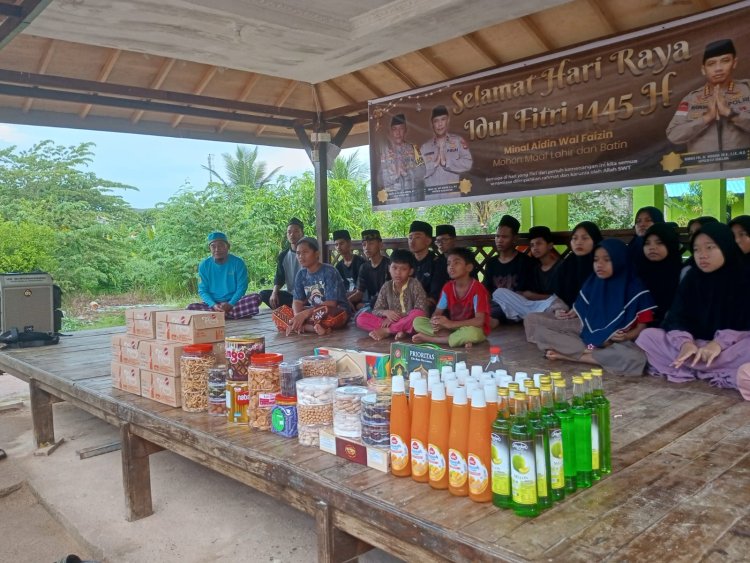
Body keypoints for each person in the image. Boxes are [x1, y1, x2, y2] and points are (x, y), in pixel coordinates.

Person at [636, 223, 750, 392]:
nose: (702, 255)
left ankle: (693, 367)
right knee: (648, 336)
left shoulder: (744, 277)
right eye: (696, 250)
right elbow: (677, 316)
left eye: (709, 248)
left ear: (726, 246)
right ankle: (705, 367)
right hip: (695, 346)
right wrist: (685, 343)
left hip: (728, 350)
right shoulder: (692, 278)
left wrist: (718, 344)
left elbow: (745, 323)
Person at [536, 239, 655, 374]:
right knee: (540, 331)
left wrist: (626, 336)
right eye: (596, 260)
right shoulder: (593, 284)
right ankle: (589, 352)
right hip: (589, 340)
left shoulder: (636, 289)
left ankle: (571, 356)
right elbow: (584, 319)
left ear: (620, 260)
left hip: (616, 344)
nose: (600, 265)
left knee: (636, 358)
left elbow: (642, 326)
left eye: (607, 260)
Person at [666, 39, 750, 171]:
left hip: (743, 174)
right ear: (703, 69)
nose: (718, 68)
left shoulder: (747, 89)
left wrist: (730, 113)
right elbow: (674, 134)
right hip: (702, 181)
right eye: (711, 64)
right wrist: (706, 118)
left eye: (725, 61)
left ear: (734, 62)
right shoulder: (691, 99)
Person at [524, 221, 602, 343]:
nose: (579, 242)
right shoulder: (568, 265)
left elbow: (605, 298)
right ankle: (565, 340)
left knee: (591, 329)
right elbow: (559, 296)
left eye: (585, 238)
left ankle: (566, 343)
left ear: (595, 239)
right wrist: (559, 310)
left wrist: (580, 309)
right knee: (531, 319)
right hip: (569, 319)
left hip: (593, 320)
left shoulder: (601, 264)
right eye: (574, 238)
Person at [413, 247, 490, 348]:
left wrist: (451, 324)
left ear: (469, 267)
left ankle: (431, 339)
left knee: (472, 333)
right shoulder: (448, 287)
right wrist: (435, 322)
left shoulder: (478, 289)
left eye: (456, 263)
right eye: (449, 264)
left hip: (474, 328)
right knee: (417, 322)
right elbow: (437, 312)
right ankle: (458, 339)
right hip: (452, 329)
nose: (451, 267)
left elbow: (479, 321)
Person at [272, 237, 351, 336]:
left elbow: (331, 304)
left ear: (317, 254)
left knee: (328, 314)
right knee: (278, 314)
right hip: (313, 313)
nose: (301, 256)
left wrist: (304, 315)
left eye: (305, 252)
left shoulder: (329, 271)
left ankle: (306, 327)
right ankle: (310, 328)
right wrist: (298, 317)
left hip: (334, 311)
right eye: (298, 253)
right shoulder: (301, 274)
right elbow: (297, 301)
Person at [355, 249, 429, 341]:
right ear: (389, 268)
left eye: (403, 269)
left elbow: (421, 310)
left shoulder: (415, 284)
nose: (398, 273)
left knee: (417, 315)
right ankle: (399, 330)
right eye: (394, 268)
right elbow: (376, 310)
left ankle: (388, 331)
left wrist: (397, 318)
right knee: (361, 318)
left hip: (408, 321)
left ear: (410, 271)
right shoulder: (387, 286)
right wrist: (386, 313)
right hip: (389, 321)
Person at [492, 225, 561, 321]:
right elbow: (527, 298)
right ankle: (529, 315)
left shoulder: (561, 267)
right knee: (499, 293)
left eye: (539, 244)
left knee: (557, 303)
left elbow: (561, 296)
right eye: (532, 245)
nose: (535, 248)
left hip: (552, 303)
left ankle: (524, 315)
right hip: (533, 306)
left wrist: (532, 296)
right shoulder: (535, 268)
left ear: (550, 245)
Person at [187, 232, 260, 319]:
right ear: (209, 248)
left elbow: (242, 288)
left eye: (221, 245)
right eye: (213, 246)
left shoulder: (238, 263)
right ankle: (229, 314)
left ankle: (218, 316)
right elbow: (202, 290)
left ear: (228, 247)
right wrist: (213, 305)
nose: (217, 249)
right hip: (213, 305)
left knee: (255, 298)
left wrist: (230, 304)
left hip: (234, 303)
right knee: (191, 308)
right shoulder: (204, 265)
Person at [483, 215, 531, 329]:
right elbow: (486, 289)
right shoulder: (491, 263)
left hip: (516, 306)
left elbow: (525, 294)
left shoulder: (525, 262)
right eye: (497, 236)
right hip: (495, 304)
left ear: (514, 238)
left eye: (504, 237)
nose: (499, 240)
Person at [420, 105, 473, 196]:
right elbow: (418, 173)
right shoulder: (425, 147)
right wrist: (434, 164)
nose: (440, 124)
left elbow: (468, 163)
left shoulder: (458, 141)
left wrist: (446, 163)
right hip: (432, 199)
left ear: (448, 121)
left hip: (452, 197)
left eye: (443, 119)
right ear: (432, 124)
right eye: (436, 121)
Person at [638, 223, 684, 325]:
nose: (652, 247)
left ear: (670, 244)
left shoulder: (682, 274)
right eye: (647, 243)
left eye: (659, 243)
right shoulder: (639, 272)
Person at [379, 113, 425, 203]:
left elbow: (422, 172)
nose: (398, 132)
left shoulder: (414, 149)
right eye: (394, 129)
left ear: (406, 130)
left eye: (401, 128)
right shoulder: (385, 153)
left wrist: (407, 171)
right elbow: (380, 179)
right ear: (391, 132)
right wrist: (395, 174)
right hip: (394, 201)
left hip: (412, 199)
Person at [260, 218, 304, 309]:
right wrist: (274, 293)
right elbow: (279, 277)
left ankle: (295, 307)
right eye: (289, 232)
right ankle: (294, 306)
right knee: (264, 294)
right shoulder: (283, 255)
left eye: (296, 231)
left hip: (307, 295)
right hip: (291, 295)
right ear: (287, 235)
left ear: (302, 233)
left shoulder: (308, 252)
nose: (292, 234)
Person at [408, 220, 448, 308]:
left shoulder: (438, 263)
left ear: (428, 241)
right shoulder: (406, 261)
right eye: (410, 237)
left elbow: (434, 297)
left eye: (417, 237)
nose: (412, 241)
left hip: (426, 308)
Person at [349, 229, 390, 312]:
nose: (367, 248)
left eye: (371, 244)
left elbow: (388, 294)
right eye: (364, 245)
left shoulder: (389, 265)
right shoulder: (364, 267)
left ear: (380, 245)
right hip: (371, 303)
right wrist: (347, 300)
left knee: (362, 308)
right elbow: (359, 292)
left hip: (387, 303)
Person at [332, 229, 365, 299]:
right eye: (336, 244)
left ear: (349, 243)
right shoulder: (338, 267)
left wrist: (346, 297)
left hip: (360, 298)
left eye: (341, 243)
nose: (338, 247)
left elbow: (364, 288)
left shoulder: (361, 262)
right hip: (345, 299)